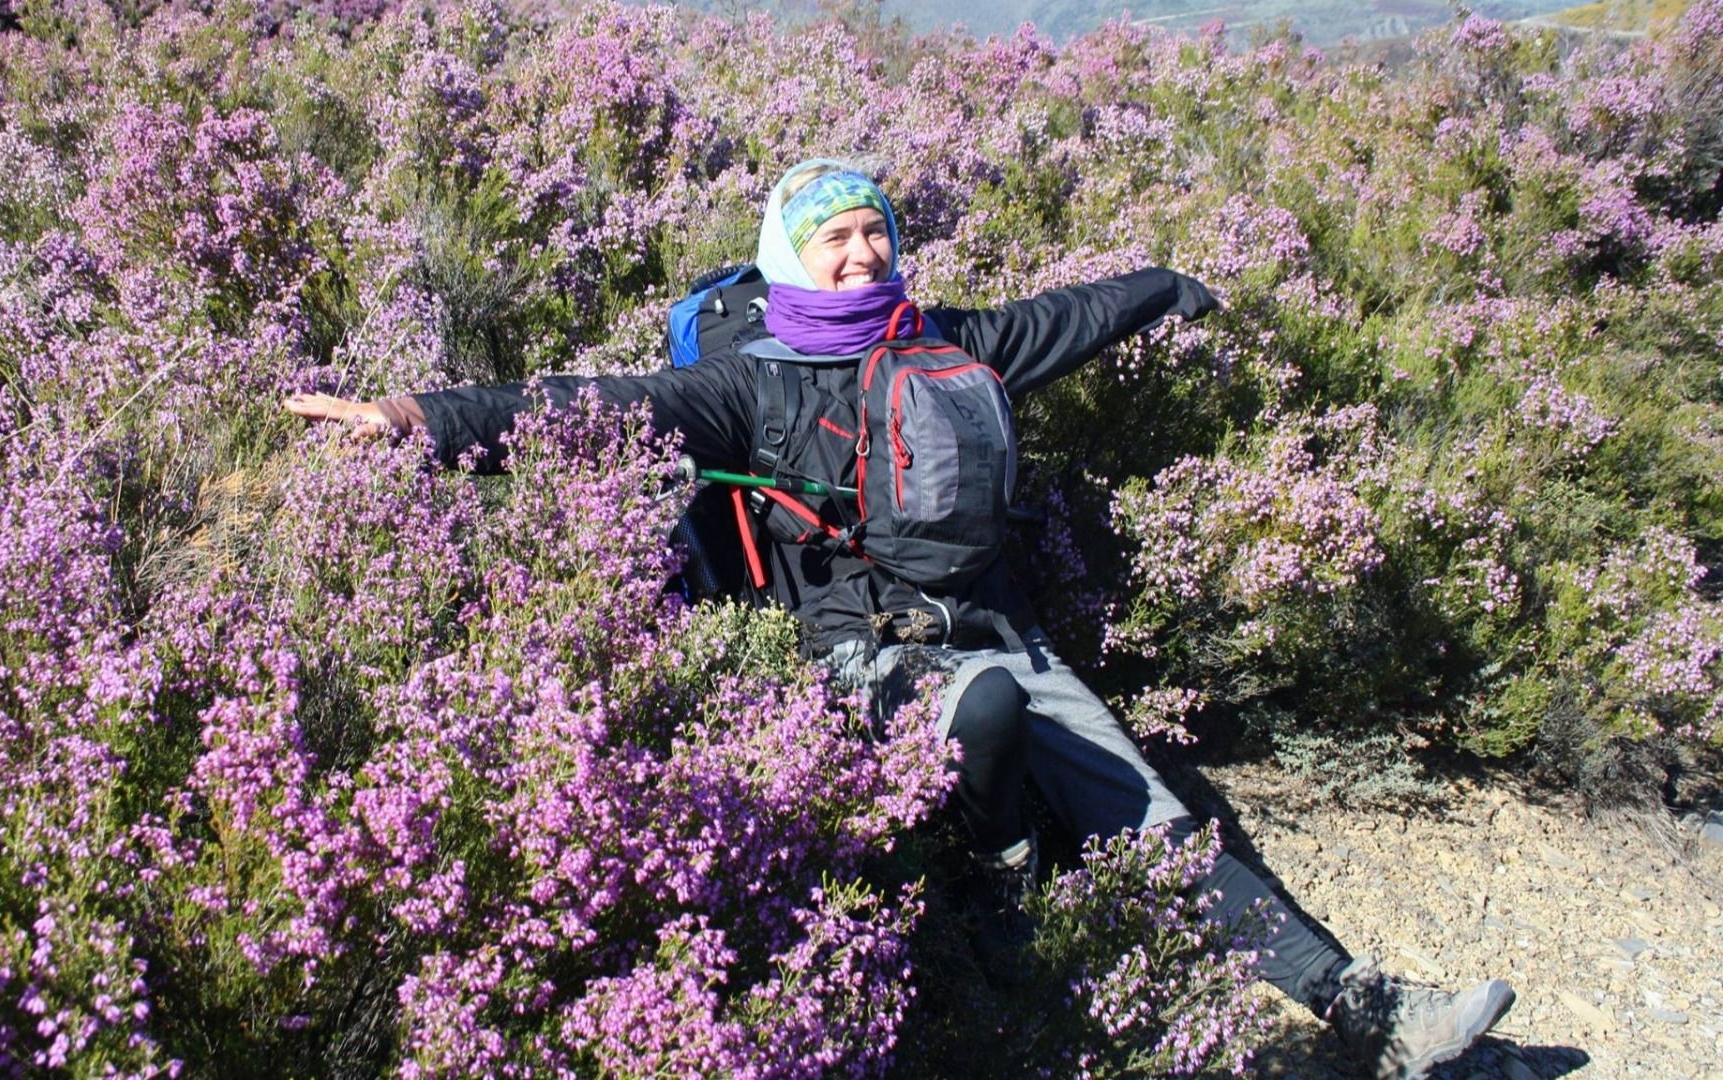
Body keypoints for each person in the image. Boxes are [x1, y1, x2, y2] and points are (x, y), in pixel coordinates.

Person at [285, 159, 1515, 1080]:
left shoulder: (948, 341)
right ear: (786, 255)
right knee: (980, 717)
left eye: (876, 229)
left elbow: (1062, 318)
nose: (864, 251)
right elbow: (587, 403)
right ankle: (994, 879)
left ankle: (1365, 1008)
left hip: (994, 621)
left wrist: (1164, 289)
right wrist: (411, 421)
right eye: (836, 237)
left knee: (1151, 810)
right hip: (850, 651)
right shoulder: (746, 380)